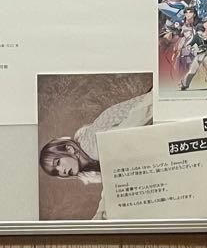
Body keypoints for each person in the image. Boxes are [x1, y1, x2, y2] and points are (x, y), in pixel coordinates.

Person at [39, 90, 153, 218]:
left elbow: (136, 121)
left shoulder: (93, 148)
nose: (62, 171)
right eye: (56, 172)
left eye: (58, 162)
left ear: (69, 149)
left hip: (154, 108)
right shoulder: (89, 156)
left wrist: (101, 212)